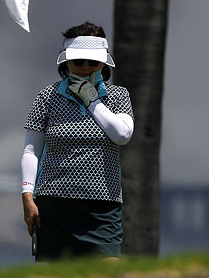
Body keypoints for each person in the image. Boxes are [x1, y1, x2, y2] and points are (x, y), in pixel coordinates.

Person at [21, 21, 134, 261]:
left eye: (92, 62)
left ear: (103, 63)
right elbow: (31, 151)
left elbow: (122, 135)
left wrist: (92, 101)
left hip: (102, 206)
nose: (85, 67)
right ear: (67, 62)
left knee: (109, 276)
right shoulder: (47, 96)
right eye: (78, 61)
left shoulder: (118, 96)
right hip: (54, 204)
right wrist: (27, 196)